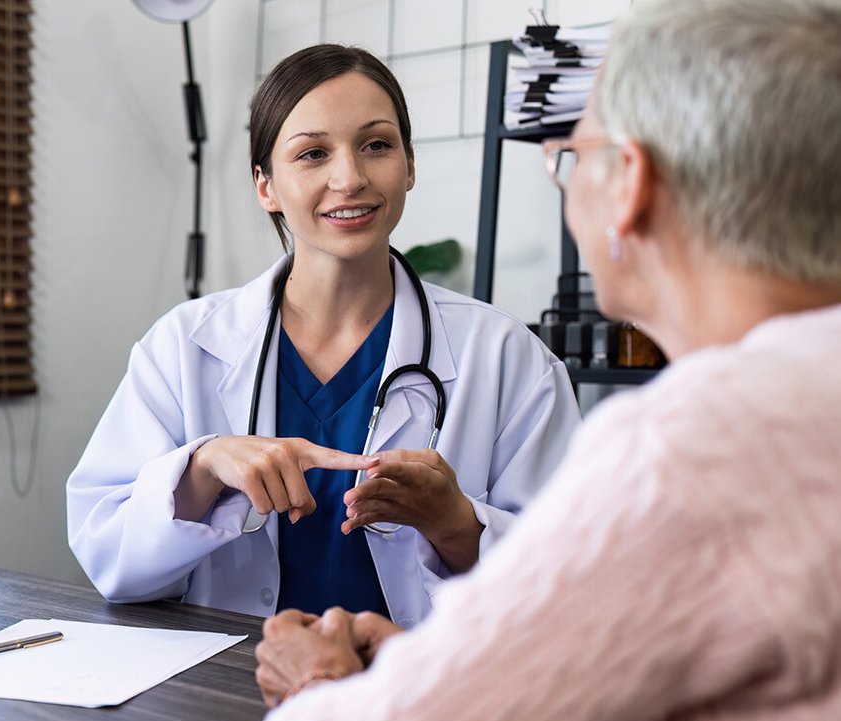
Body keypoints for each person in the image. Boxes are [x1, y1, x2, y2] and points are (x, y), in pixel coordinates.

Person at [255, 0, 841, 721]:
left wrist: (316, 683)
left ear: (629, 185)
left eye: (572, 157)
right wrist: (424, 665)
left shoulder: (691, 449)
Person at [66, 44, 582, 625]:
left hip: (420, 695)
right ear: (265, 186)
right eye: (313, 153)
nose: (350, 178)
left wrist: (456, 524)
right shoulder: (185, 347)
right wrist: (203, 470)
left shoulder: (507, 358)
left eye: (377, 145)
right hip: (232, 690)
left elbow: (574, 578)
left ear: (409, 164)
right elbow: (109, 558)